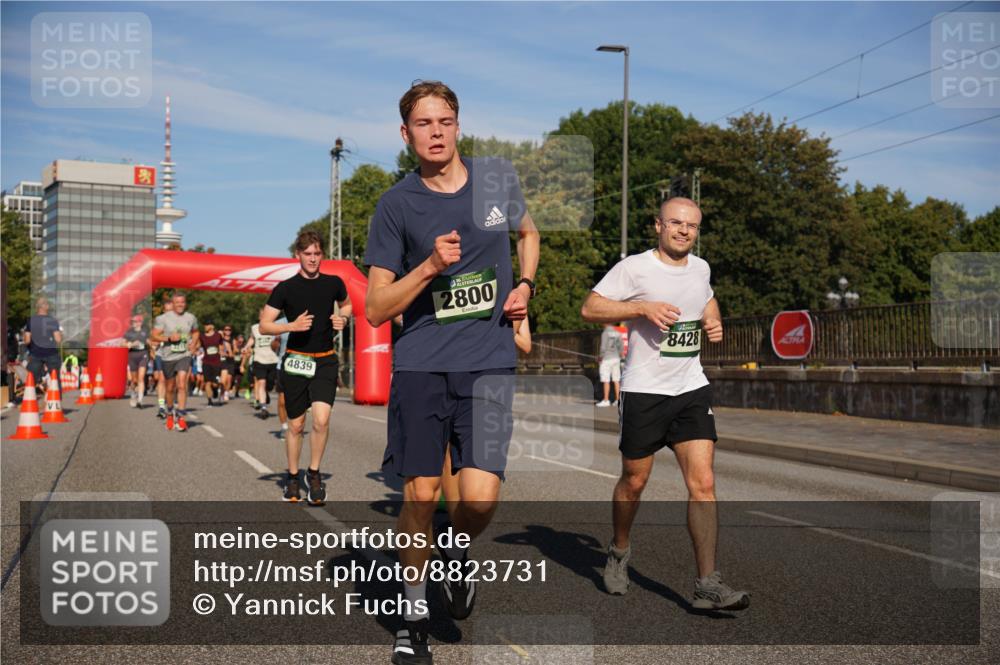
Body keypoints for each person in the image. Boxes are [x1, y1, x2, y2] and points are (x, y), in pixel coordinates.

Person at [364, 80, 539, 665]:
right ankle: (412, 618)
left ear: (458, 125)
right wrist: (429, 267)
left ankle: (456, 551)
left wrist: (524, 288)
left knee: (481, 500)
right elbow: (376, 308)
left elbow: (529, 234)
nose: (435, 132)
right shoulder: (397, 205)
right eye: (423, 123)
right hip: (420, 364)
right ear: (405, 133)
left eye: (444, 121)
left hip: (488, 361)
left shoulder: (495, 182)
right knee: (419, 494)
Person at [580, 196, 749, 611]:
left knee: (704, 483)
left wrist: (714, 319)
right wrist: (641, 307)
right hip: (644, 390)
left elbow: (706, 297)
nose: (684, 231)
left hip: (690, 388)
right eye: (675, 223)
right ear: (658, 225)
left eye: (691, 225)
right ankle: (619, 550)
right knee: (634, 482)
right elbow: (590, 307)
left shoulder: (701, 267)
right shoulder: (635, 267)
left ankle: (707, 583)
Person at [261, 230, 352, 505]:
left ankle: (313, 474)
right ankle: (291, 476)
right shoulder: (285, 288)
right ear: (297, 256)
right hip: (296, 360)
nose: (313, 259)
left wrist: (343, 319)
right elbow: (265, 324)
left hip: (325, 359)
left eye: (317, 253)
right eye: (308, 254)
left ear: (322, 255)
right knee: (297, 425)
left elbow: (347, 306)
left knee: (322, 420)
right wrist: (291, 325)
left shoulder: (334, 283)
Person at [151, 292, 199, 432]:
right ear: (172, 304)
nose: (180, 305)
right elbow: (154, 335)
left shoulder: (191, 317)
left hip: (184, 355)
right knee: (170, 388)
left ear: (185, 303)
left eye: (182, 302)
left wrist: (194, 344)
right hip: (168, 356)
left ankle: (181, 417)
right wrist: (169, 339)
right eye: (177, 302)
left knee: (182, 383)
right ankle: (170, 411)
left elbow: (195, 332)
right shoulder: (163, 318)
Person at [24, 297, 63, 393]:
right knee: (55, 378)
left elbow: (27, 340)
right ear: (45, 307)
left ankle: (29, 400)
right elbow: (58, 339)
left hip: (35, 353)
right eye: (47, 304)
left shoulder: (31, 320)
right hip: (51, 353)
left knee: (31, 379)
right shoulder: (52, 321)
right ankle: (56, 403)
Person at [249, 307, 281, 419]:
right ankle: (263, 408)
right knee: (261, 383)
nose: (264, 317)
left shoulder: (275, 327)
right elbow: (252, 339)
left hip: (272, 360)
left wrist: (277, 340)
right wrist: (246, 347)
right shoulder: (254, 328)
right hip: (259, 359)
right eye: (262, 315)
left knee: (269, 385)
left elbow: (277, 344)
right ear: (259, 316)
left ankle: (266, 393)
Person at [153, 296, 174, 418]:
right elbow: (154, 337)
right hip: (162, 353)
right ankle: (161, 407)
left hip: (176, 354)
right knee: (161, 379)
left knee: (172, 382)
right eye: (166, 311)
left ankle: (171, 402)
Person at [123, 314, 149, 408]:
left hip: (143, 355)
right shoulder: (129, 332)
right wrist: (129, 344)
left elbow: (150, 340)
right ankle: (133, 393)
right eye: (132, 321)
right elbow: (122, 343)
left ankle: (140, 400)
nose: (133, 323)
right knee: (134, 380)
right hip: (132, 356)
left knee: (141, 378)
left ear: (140, 322)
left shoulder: (146, 331)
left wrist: (152, 343)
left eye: (135, 321)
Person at [596, 323, 624, 407]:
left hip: (606, 359)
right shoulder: (617, 332)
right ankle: (618, 400)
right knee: (616, 379)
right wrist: (619, 355)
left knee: (606, 380)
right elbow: (621, 346)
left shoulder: (605, 333)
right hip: (616, 358)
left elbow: (603, 348)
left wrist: (600, 357)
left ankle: (606, 400)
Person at [200, 321, 224, 407]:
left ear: (212, 326)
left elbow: (221, 346)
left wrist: (222, 353)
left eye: (206, 325)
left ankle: (215, 389)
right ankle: (209, 401)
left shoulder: (218, 335)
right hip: (206, 362)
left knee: (215, 383)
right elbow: (198, 346)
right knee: (207, 382)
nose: (205, 326)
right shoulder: (201, 336)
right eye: (205, 325)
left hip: (216, 362)